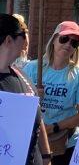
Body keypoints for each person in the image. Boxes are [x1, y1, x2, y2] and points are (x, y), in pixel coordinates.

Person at [24, 21, 79, 165]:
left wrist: (53, 127)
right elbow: (20, 105)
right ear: (54, 39)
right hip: (34, 142)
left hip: (66, 144)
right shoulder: (32, 68)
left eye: (74, 43)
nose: (68, 44)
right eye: (64, 38)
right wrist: (35, 97)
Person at [0, 14, 52, 165]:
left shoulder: (22, 75)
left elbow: (37, 119)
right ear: (9, 40)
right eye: (22, 35)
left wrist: (47, 156)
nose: (26, 42)